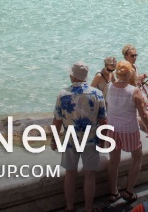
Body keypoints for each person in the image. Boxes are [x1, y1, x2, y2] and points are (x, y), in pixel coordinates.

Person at [51, 62, 107, 212]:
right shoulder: (97, 94)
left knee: (70, 174)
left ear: (72, 76)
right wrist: (103, 139)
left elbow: (57, 121)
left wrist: (54, 139)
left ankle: (70, 208)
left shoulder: (63, 94)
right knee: (89, 175)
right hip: (91, 140)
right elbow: (103, 120)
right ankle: (89, 208)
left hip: (70, 140)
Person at [106, 61, 148, 205]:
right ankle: (129, 190)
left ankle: (113, 191)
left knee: (113, 160)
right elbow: (143, 113)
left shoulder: (109, 87)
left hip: (112, 128)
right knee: (137, 156)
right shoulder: (134, 90)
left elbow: (107, 105)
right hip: (129, 129)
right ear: (130, 74)